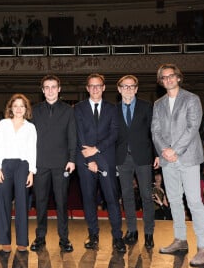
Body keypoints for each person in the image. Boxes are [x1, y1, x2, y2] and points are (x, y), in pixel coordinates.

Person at [151, 63, 204, 267]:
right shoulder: (158, 104)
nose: (168, 79)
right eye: (164, 77)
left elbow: (194, 127)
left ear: (178, 77)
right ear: (161, 81)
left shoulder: (191, 99)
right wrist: (165, 151)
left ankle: (203, 248)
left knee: (194, 201)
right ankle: (180, 240)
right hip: (168, 159)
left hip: (188, 157)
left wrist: (174, 150)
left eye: (171, 76)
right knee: (174, 200)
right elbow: (155, 131)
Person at [75, 74, 125, 253]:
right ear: (87, 88)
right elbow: (79, 136)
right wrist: (89, 160)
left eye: (98, 86)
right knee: (88, 199)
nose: (95, 89)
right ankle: (93, 234)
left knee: (112, 199)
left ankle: (117, 237)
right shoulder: (78, 109)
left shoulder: (113, 109)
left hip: (106, 160)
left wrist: (95, 150)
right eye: (91, 86)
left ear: (104, 88)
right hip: (85, 161)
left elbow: (114, 134)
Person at [30, 75, 77, 253]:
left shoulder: (68, 110)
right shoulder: (33, 111)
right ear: (42, 90)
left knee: (61, 202)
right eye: (47, 87)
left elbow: (73, 136)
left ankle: (64, 238)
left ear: (59, 89)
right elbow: (29, 139)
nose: (50, 90)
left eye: (53, 87)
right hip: (39, 163)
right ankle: (40, 237)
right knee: (40, 203)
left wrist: (72, 159)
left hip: (61, 164)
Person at [115, 74, 159, 250]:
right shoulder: (113, 109)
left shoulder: (147, 107)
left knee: (147, 196)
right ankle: (132, 230)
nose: (128, 89)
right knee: (127, 196)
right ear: (119, 89)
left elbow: (154, 132)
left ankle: (149, 233)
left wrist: (157, 154)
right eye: (124, 86)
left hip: (143, 157)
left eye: (131, 86)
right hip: (122, 158)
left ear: (136, 88)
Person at [0, 94, 36, 252]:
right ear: (10, 108)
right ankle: (4, 240)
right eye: (15, 105)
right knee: (3, 203)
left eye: (22, 106)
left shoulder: (30, 127)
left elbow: (33, 150)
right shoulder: (3, 124)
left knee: (22, 203)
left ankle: (22, 241)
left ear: (26, 109)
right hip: (5, 164)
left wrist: (31, 171)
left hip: (23, 166)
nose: (18, 109)